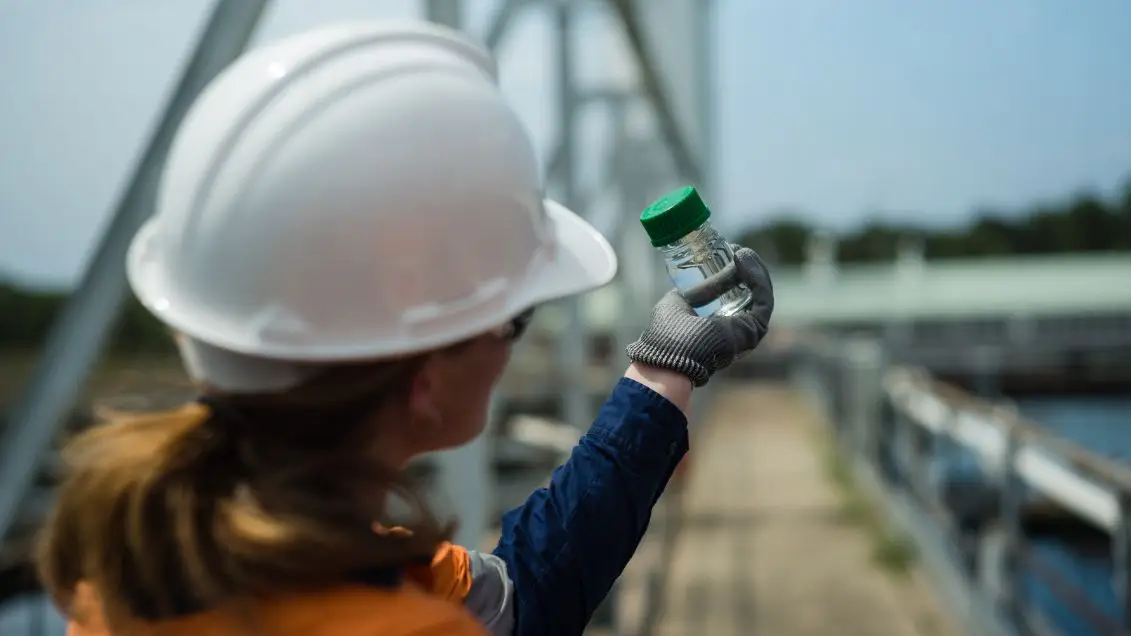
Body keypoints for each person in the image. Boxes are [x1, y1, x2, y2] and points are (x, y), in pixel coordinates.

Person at [36, 20, 774, 636]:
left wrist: (659, 372)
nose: (512, 335)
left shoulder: (123, 572)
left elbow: (522, 601)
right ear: (423, 381)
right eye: (510, 318)